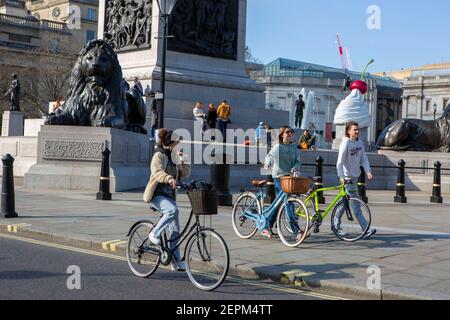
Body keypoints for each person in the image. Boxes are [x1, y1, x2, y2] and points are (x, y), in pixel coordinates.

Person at [143, 129, 191, 271]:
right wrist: (168, 178)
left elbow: (185, 173)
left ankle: (175, 261)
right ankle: (154, 233)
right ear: (170, 143)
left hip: (169, 196)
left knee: (175, 229)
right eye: (177, 143)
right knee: (172, 210)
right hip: (156, 195)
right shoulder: (159, 155)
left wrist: (184, 160)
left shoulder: (175, 156)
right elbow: (157, 172)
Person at [335, 121, 376, 239]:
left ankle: (336, 226)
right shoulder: (345, 144)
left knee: (344, 204)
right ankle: (365, 229)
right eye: (355, 130)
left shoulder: (359, 143)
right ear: (348, 131)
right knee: (356, 204)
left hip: (355, 176)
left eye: (358, 129)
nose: (357, 131)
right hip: (347, 178)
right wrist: (341, 177)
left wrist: (368, 171)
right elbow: (339, 162)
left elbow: (364, 158)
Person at [263, 126, 302, 239]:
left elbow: (297, 161)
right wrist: (268, 163)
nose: (290, 134)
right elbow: (269, 156)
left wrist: (295, 167)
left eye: (291, 132)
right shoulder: (278, 147)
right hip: (279, 177)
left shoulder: (294, 147)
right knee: (288, 202)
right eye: (287, 132)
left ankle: (267, 226)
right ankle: (296, 231)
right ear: (282, 135)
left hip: (289, 178)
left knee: (278, 203)